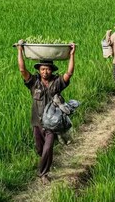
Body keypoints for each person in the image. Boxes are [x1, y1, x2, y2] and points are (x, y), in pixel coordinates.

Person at [17, 40, 76, 181]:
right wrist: (19, 50)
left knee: (48, 148)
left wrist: (72, 54)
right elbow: (22, 70)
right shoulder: (33, 83)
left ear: (52, 70)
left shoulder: (57, 83)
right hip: (37, 121)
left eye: (48, 69)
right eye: (43, 69)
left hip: (52, 123)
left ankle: (43, 174)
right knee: (40, 149)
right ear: (39, 70)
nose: (45, 72)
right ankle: (46, 161)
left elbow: (69, 73)